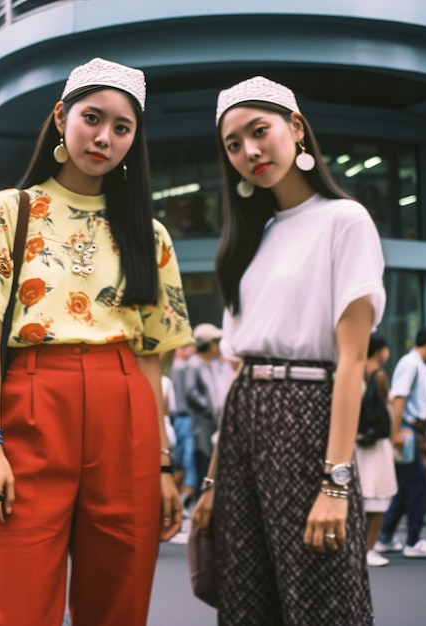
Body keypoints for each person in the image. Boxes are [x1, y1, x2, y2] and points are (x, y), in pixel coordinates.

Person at [0, 57, 193, 626]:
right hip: (31, 401)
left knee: (120, 603)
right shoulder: (10, 210)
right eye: (92, 118)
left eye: (122, 128)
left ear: (134, 139)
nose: (104, 137)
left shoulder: (149, 235)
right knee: (14, 606)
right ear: (61, 117)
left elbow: (152, 359)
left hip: (126, 405)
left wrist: (161, 465)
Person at [193, 76, 386, 625]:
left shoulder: (345, 220)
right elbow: (237, 373)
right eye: (233, 144)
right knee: (246, 600)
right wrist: (210, 480)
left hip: (309, 416)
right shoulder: (252, 238)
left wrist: (336, 483)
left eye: (260, 132)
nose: (249, 151)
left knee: (321, 598)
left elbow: (352, 361)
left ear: (296, 128)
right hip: (244, 423)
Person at [375, 327, 426, 558]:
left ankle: (385, 536)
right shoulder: (411, 364)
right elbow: (399, 398)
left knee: (406, 487)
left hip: (410, 431)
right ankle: (413, 541)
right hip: (407, 431)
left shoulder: (416, 365)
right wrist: (395, 434)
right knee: (419, 486)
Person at [355, 333, 397, 567]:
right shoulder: (379, 376)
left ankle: (357, 549)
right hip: (376, 445)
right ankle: (369, 549)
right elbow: (388, 409)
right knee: (379, 500)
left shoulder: (353, 372)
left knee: (359, 501)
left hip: (356, 442)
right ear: (380, 350)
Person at [185, 323, 226, 493]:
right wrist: (210, 408)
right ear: (209, 344)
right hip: (202, 424)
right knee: (204, 462)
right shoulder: (194, 364)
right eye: (216, 342)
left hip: (211, 422)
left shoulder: (210, 365)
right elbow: (190, 392)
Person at [169, 342, 198, 511]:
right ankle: (185, 495)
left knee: (183, 458)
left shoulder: (181, 367)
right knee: (186, 458)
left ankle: (184, 494)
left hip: (181, 418)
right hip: (183, 417)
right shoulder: (181, 367)